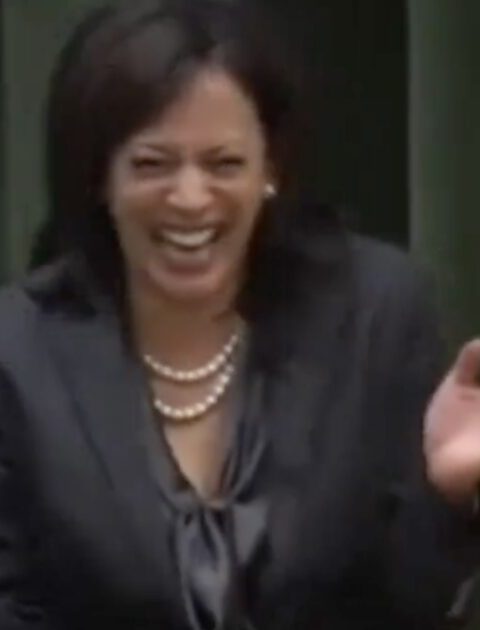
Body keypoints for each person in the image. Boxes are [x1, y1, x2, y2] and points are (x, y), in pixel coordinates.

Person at [1, 1, 480, 629]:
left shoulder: (376, 313)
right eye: (152, 164)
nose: (190, 198)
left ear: (269, 170)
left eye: (223, 163)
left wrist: (446, 496)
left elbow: (410, 605)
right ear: (101, 179)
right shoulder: (19, 351)